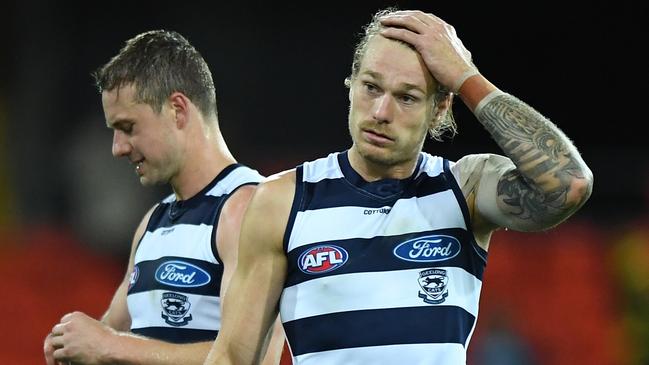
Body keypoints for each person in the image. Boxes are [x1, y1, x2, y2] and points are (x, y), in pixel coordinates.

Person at [204, 8, 594, 365]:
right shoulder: (283, 200)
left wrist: (465, 77)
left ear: (440, 107)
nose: (380, 113)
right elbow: (234, 357)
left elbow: (568, 184)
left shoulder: (464, 189)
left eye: (406, 97)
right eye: (371, 87)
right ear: (351, 84)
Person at [43, 30, 284, 365]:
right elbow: (112, 332)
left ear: (177, 109)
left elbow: (247, 360)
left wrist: (107, 346)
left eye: (127, 127)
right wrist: (71, 346)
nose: (117, 148)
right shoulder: (152, 223)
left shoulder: (248, 209)